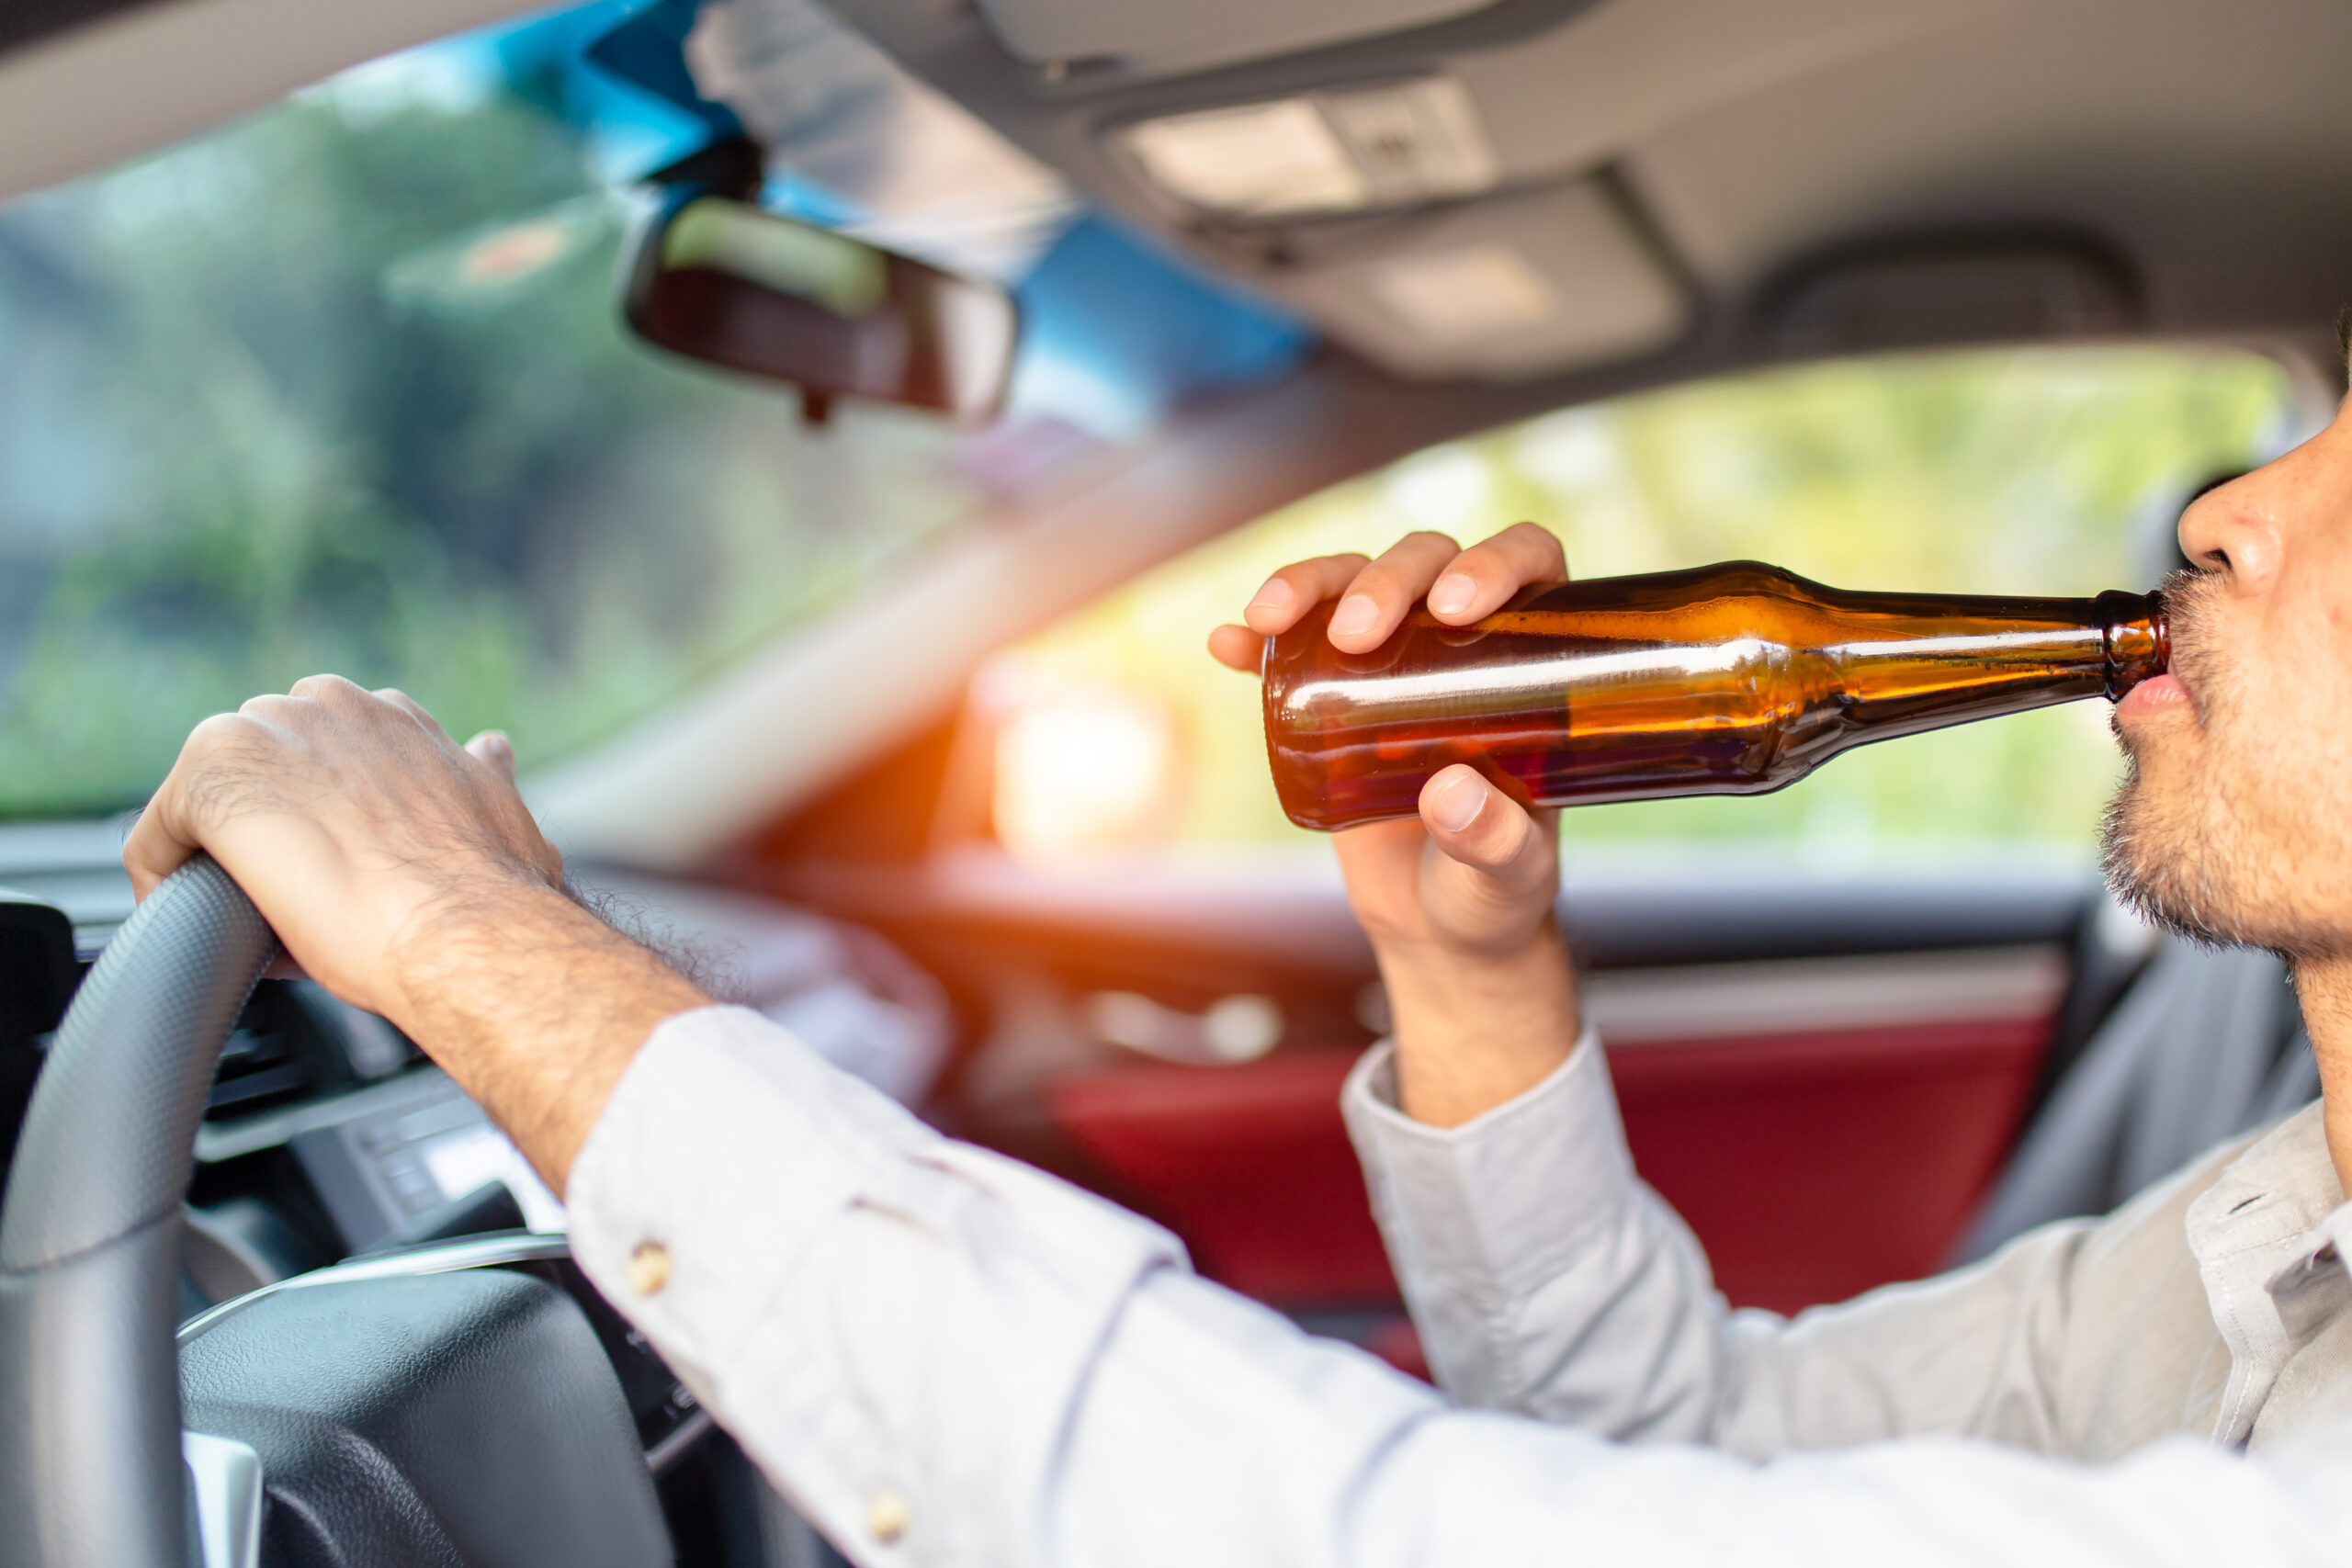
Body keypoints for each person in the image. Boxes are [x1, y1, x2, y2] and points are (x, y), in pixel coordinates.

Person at [126, 373, 2352, 1562]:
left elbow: (1395, 1537)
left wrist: (471, 945)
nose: (2228, 505)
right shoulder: (2268, 1241)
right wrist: (1458, 949)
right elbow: (1670, 1449)